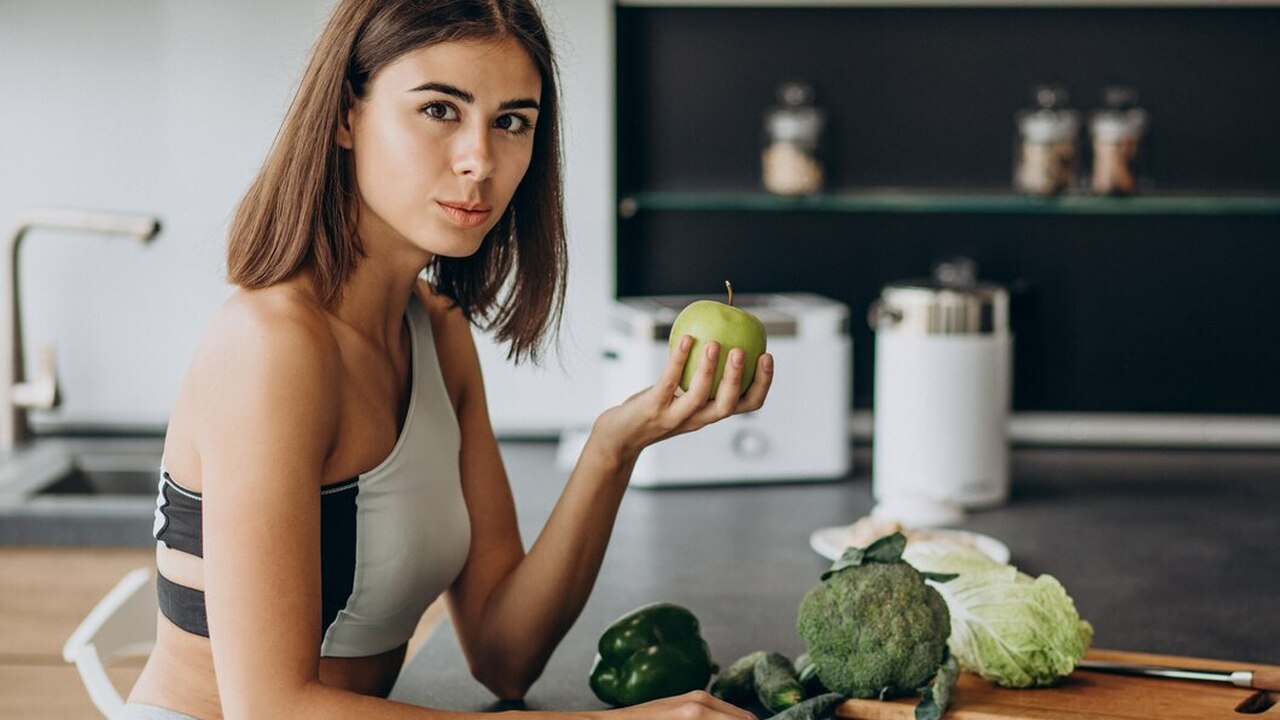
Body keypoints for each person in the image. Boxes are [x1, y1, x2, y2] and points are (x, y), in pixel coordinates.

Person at [122, 1, 774, 719]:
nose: (480, 160)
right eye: (439, 110)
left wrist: (613, 447)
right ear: (345, 115)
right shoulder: (271, 346)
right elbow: (271, 707)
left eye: (512, 121)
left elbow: (504, 655)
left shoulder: (437, 331)